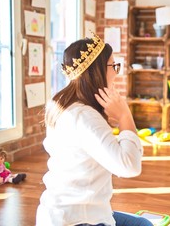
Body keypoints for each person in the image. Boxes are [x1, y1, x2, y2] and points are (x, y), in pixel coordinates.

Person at [36, 32, 153, 226]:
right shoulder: (84, 116)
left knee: (141, 223)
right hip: (77, 219)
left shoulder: (61, 102)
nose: (117, 72)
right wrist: (125, 116)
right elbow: (129, 166)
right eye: (114, 66)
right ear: (96, 70)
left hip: (59, 211)